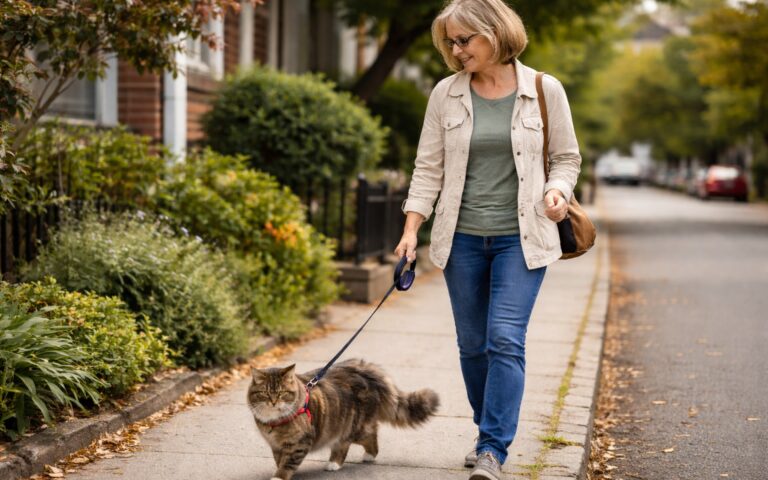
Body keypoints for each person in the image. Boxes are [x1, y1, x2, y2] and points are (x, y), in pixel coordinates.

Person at [394, 1, 581, 479]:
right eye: (450, 43)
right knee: (473, 345)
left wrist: (557, 190)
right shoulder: (445, 95)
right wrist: (412, 230)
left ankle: (494, 448)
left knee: (504, 339)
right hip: (462, 240)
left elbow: (566, 158)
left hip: (523, 238)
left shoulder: (543, 89)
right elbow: (427, 168)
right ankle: (486, 431)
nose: (456, 51)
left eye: (464, 40)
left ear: (495, 34)